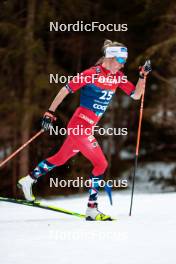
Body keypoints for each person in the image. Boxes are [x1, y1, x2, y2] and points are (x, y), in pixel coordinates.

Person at [18, 39, 151, 221]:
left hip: (86, 127)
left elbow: (136, 95)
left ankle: (28, 180)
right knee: (101, 164)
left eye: (124, 62)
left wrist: (142, 77)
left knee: (60, 158)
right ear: (110, 58)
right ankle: (92, 209)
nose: (122, 65)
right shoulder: (91, 74)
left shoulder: (118, 77)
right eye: (120, 61)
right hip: (80, 125)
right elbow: (65, 89)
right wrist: (50, 112)